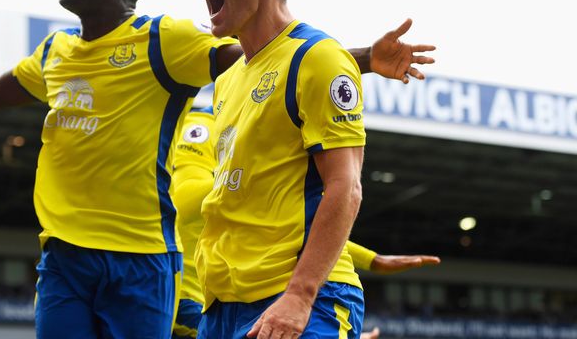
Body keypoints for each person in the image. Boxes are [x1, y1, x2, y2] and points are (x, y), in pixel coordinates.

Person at [0, 0, 434, 339]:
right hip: (69, 253)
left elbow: (264, 57)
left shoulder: (165, 40)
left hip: (144, 257)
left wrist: (357, 57)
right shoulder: (57, 51)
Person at [193, 0, 436, 339]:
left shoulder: (318, 57)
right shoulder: (228, 80)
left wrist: (300, 296)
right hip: (221, 306)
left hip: (298, 297)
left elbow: (346, 187)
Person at [170, 107, 440, 339]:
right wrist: (266, 187)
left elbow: (328, 197)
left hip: (290, 291)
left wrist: (370, 259)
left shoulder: (284, 98)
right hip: (202, 303)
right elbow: (186, 198)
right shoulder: (205, 121)